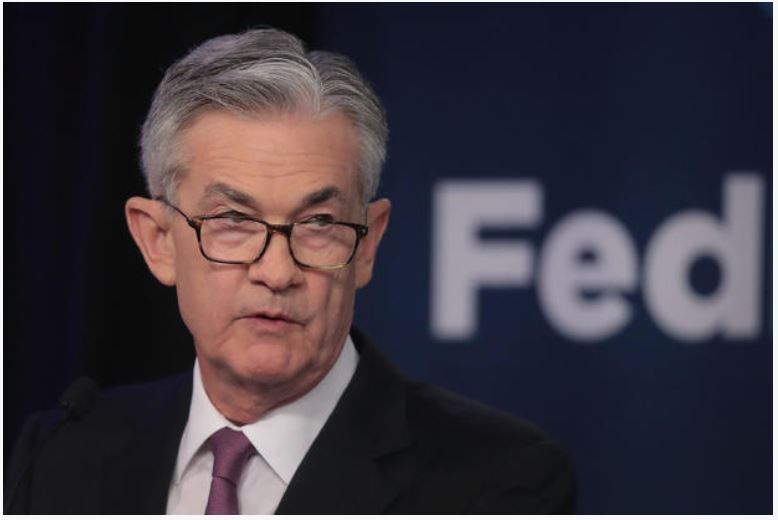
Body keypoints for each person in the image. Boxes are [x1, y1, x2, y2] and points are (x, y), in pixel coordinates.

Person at [5, 27, 575, 514]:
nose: (277, 272)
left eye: (319, 223)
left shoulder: (497, 481)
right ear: (158, 241)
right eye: (233, 220)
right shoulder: (60, 458)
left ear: (368, 244)